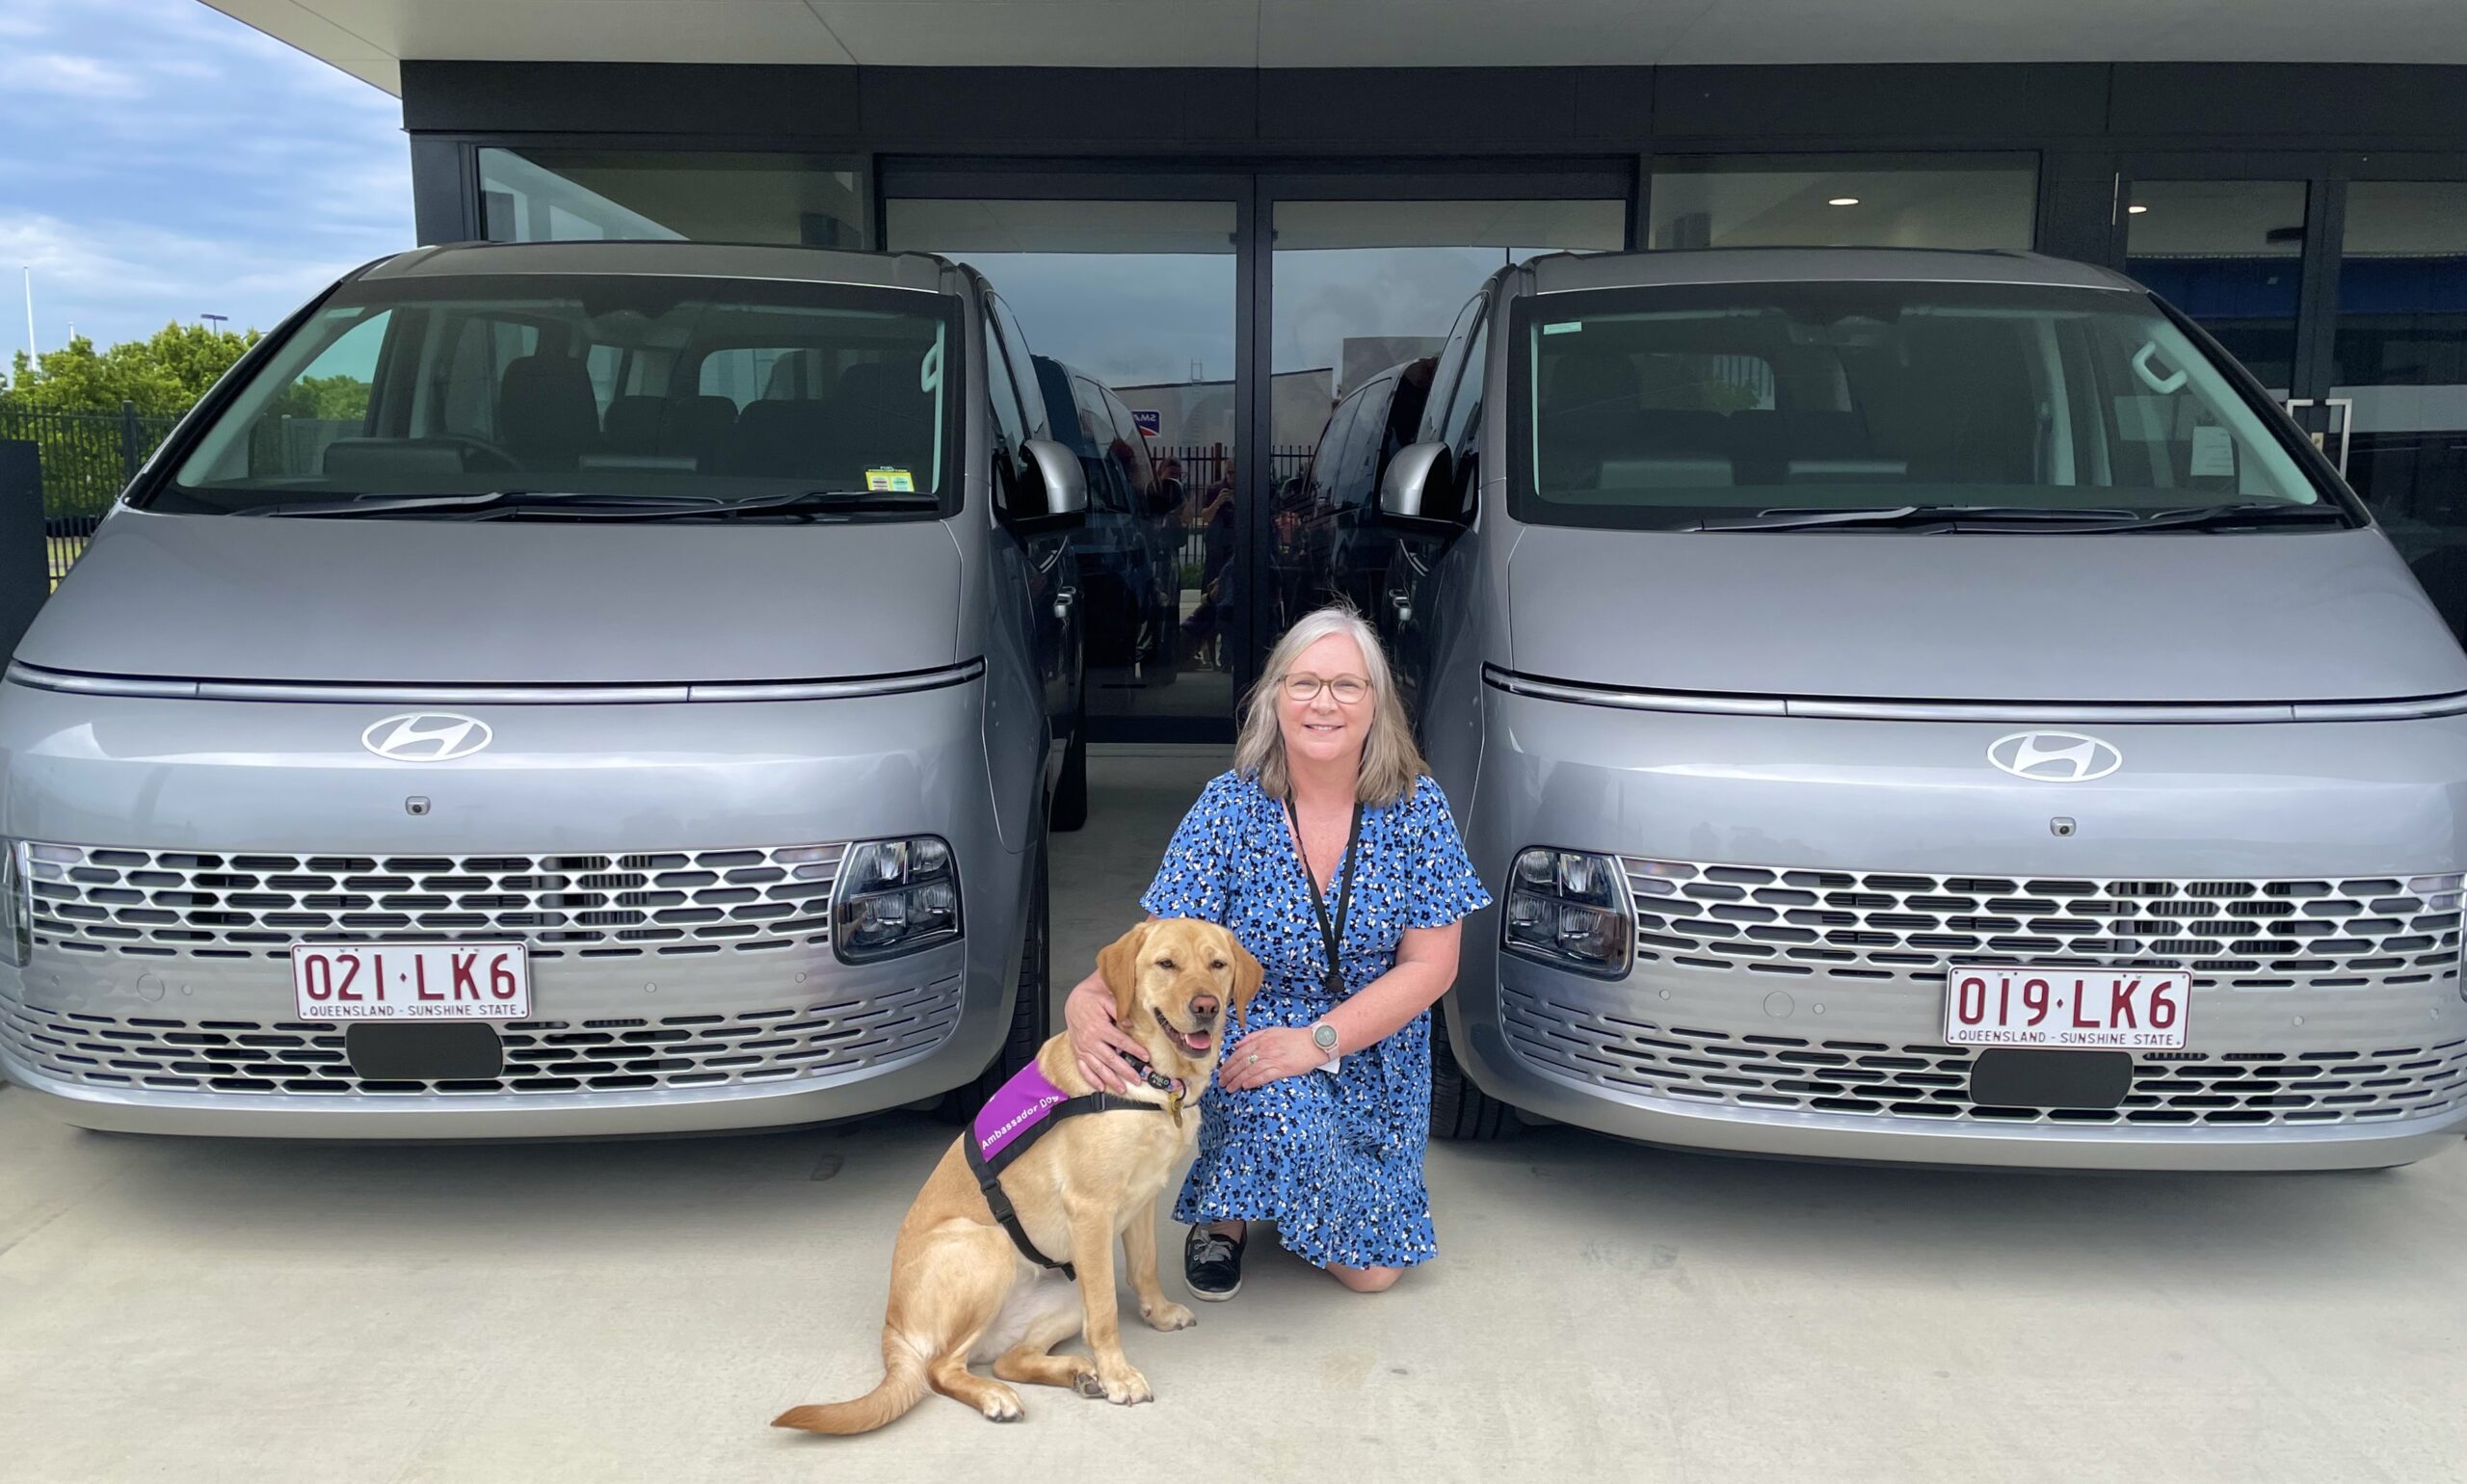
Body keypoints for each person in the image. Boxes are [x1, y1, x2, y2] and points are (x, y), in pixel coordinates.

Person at [1063, 605, 1492, 1297]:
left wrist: (1319, 1040)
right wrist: (1085, 1001)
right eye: (1304, 684)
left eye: (1347, 686)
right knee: (1283, 1112)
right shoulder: (1228, 808)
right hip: (1254, 1033)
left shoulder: (1418, 808)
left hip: (1375, 1045)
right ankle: (1224, 1213)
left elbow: (1432, 965)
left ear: (1376, 705)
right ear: (1274, 698)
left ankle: (1277, 1186)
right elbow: (1159, 946)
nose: (1324, 703)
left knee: (1374, 1275)